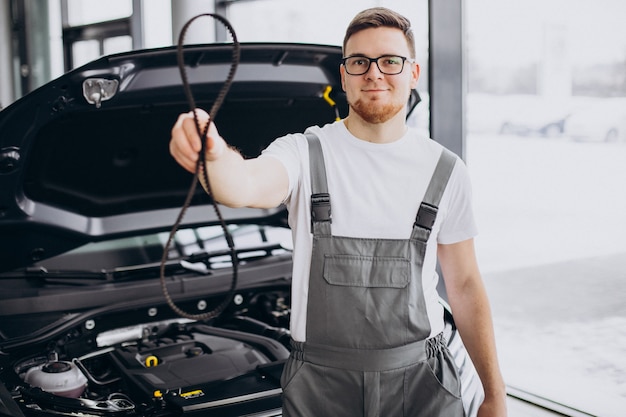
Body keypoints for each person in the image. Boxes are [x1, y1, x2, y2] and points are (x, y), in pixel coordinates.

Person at [169, 7, 507, 417]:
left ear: (413, 73)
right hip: (321, 388)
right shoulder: (304, 152)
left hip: (424, 384)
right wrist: (213, 154)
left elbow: (466, 285)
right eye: (359, 61)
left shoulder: (446, 171)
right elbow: (243, 185)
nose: (374, 72)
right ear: (344, 75)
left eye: (390, 61)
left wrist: (494, 393)